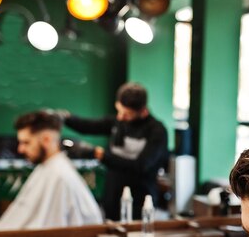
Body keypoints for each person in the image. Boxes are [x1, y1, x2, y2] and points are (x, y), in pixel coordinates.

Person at [61, 82, 169, 220]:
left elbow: (141, 166)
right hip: (112, 196)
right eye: (119, 110)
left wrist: (100, 154)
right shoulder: (118, 122)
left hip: (139, 199)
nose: (120, 117)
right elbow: (89, 126)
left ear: (143, 111)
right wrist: (65, 118)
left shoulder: (157, 131)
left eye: (127, 113)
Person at [0, 111, 103, 231]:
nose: (20, 149)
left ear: (46, 140)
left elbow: (51, 235)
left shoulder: (60, 176)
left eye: (26, 142)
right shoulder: (47, 168)